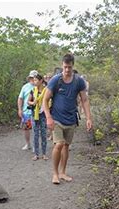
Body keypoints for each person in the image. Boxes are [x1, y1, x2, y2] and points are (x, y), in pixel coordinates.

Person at [42, 54, 92, 184]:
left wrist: (88, 118)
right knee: (59, 144)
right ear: (62, 65)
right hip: (57, 118)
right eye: (65, 67)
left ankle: (63, 172)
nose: (67, 70)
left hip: (71, 118)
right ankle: (55, 174)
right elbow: (45, 100)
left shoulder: (78, 81)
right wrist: (48, 117)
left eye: (69, 67)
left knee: (66, 146)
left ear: (73, 66)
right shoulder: (55, 80)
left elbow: (84, 100)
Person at [27, 74, 48, 161]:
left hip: (43, 114)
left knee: (43, 134)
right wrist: (33, 103)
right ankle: (36, 154)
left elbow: (50, 100)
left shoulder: (46, 91)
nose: (34, 82)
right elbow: (28, 101)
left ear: (41, 81)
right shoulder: (33, 90)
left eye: (36, 80)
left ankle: (44, 154)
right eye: (34, 80)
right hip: (34, 114)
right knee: (35, 134)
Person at [17, 70, 38, 150]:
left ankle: (36, 145)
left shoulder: (40, 87)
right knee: (26, 128)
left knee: (36, 129)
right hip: (26, 112)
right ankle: (28, 143)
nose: (33, 80)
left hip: (37, 112)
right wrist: (20, 109)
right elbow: (20, 98)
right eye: (31, 78)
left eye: (35, 78)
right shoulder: (25, 87)